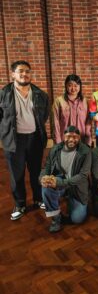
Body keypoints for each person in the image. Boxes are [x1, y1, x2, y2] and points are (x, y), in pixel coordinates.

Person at [0, 60, 49, 221]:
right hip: (15, 140)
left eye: (27, 71)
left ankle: (39, 199)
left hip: (34, 139)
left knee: (36, 172)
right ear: (13, 74)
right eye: (20, 71)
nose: (24, 74)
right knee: (17, 174)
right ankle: (20, 204)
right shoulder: (4, 94)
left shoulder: (40, 94)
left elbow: (44, 115)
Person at [40, 126, 91, 232]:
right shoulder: (56, 149)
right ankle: (56, 219)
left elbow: (83, 176)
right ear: (64, 137)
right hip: (61, 182)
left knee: (77, 219)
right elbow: (47, 167)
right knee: (46, 188)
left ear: (79, 138)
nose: (71, 139)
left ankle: (72, 199)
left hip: (77, 186)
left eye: (75, 137)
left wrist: (60, 182)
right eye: (68, 136)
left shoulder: (85, 151)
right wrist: (42, 178)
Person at [52, 74, 91, 146]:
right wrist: (58, 142)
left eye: (76, 85)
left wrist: (88, 140)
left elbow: (88, 122)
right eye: (70, 85)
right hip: (65, 140)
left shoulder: (85, 102)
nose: (73, 88)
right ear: (66, 86)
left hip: (81, 140)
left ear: (80, 87)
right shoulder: (59, 101)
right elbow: (55, 123)